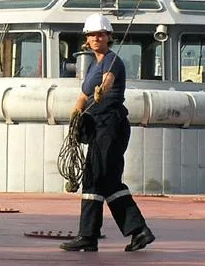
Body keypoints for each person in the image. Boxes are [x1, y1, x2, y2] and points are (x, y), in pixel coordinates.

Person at [60, 13, 155, 253]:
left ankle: (93, 235)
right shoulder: (92, 64)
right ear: (87, 39)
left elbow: (108, 80)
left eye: (100, 34)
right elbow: (83, 95)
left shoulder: (113, 60)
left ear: (108, 37)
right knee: (103, 179)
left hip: (111, 125)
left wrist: (101, 90)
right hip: (97, 125)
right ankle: (130, 232)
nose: (96, 38)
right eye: (91, 35)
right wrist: (75, 115)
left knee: (99, 178)